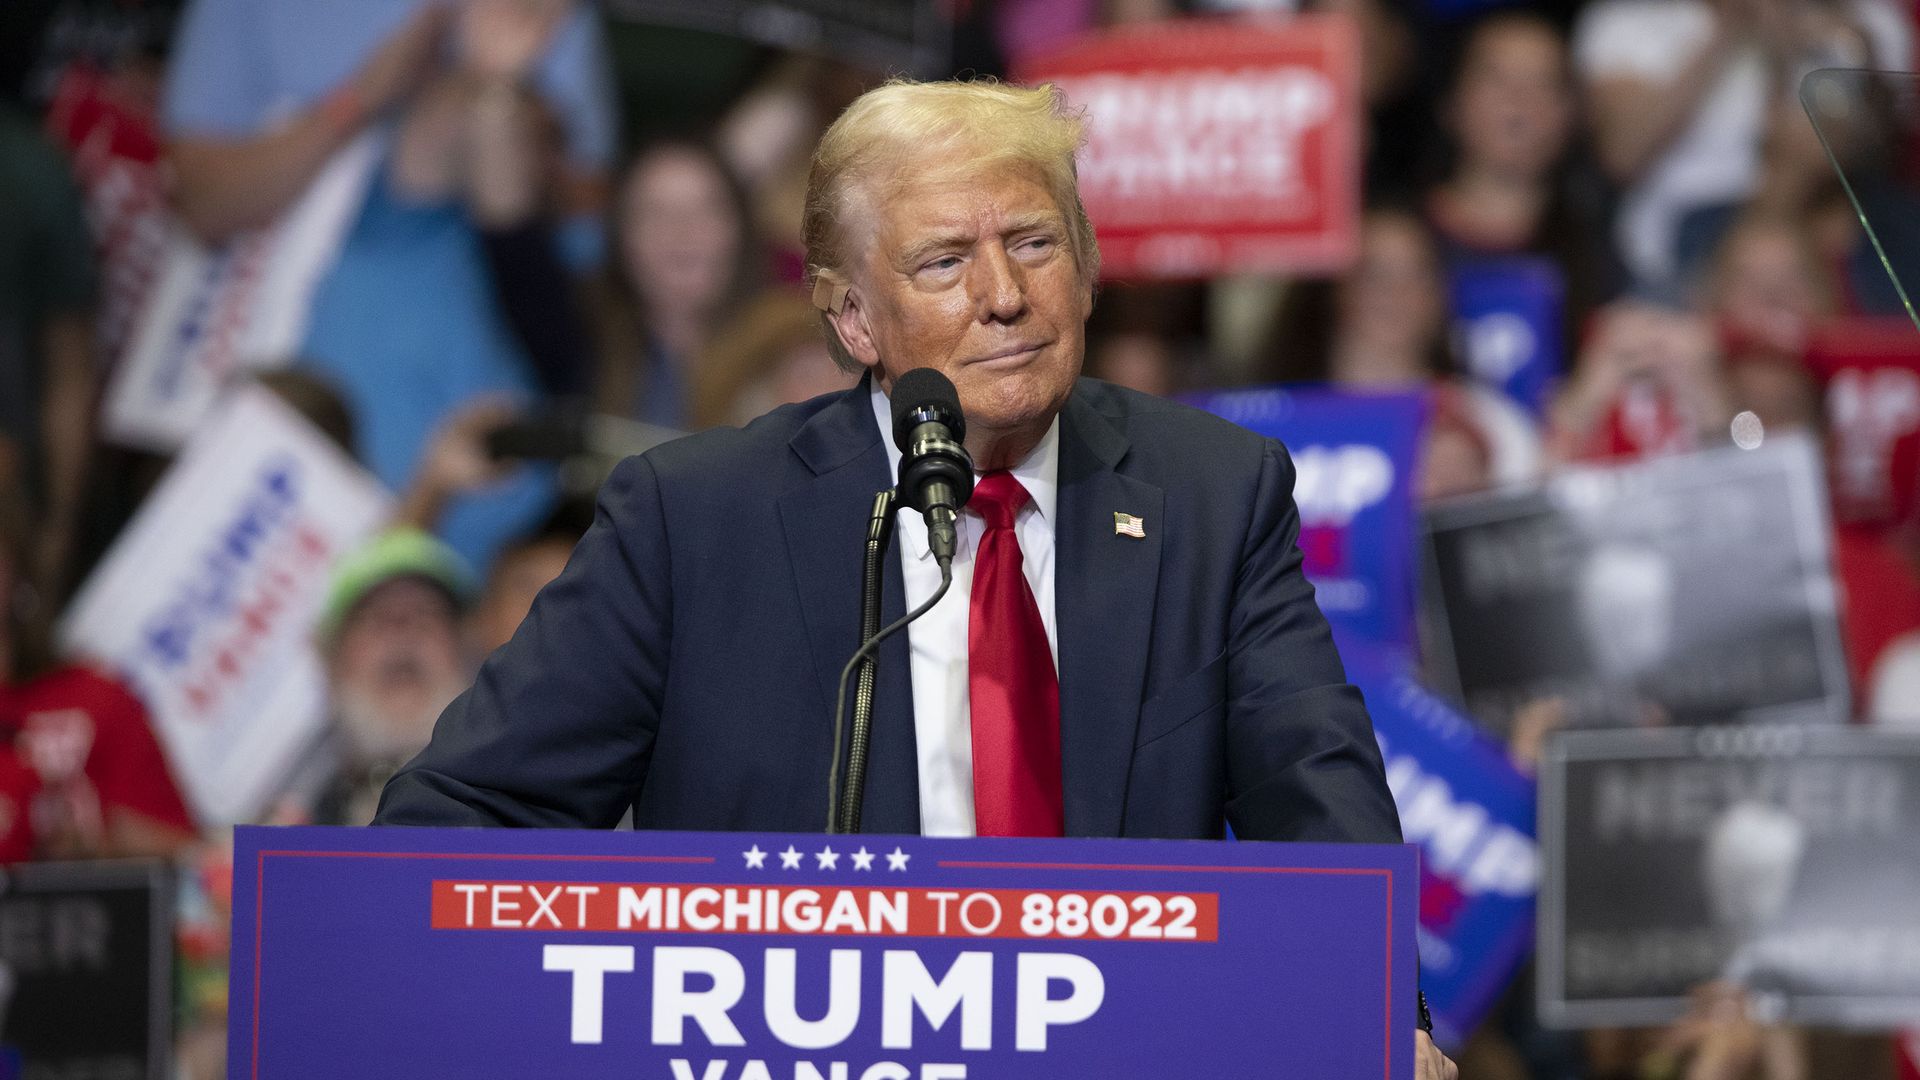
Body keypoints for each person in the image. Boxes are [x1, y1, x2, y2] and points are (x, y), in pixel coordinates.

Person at [376, 78, 1452, 1078]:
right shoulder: (693, 519)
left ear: (1086, 268)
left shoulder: (1212, 494)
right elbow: (467, 814)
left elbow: (1316, 801)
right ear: (854, 320)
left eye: (1034, 243)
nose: (1004, 296)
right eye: (943, 262)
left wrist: (1380, 1018)